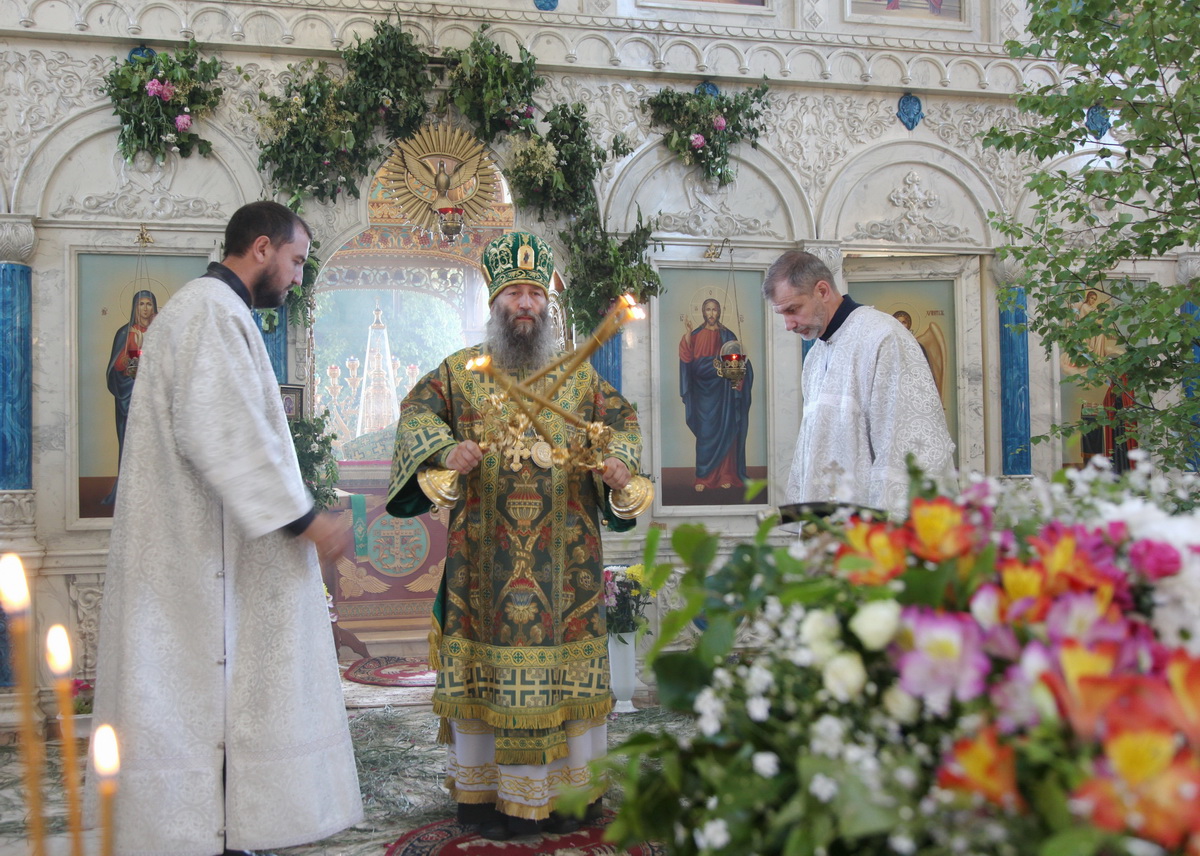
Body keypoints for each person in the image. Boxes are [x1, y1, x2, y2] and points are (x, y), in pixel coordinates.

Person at [89, 201, 363, 856]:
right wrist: (306, 522)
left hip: (196, 545)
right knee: (194, 699)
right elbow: (226, 431)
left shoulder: (208, 311)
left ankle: (222, 832)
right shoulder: (211, 311)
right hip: (192, 557)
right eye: (296, 260)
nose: (298, 276)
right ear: (262, 248)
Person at [387, 231, 642, 840]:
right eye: (514, 294)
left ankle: (573, 794)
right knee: (487, 673)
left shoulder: (580, 378)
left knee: (565, 676)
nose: (525, 303)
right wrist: (450, 450)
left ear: (546, 303)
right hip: (485, 567)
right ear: (496, 303)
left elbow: (622, 422)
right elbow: (415, 412)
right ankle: (483, 797)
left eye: (534, 292)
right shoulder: (460, 372)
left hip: (568, 565)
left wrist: (619, 464)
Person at [763, 250, 955, 518]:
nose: (788, 325)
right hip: (829, 530)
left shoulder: (883, 338)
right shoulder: (816, 356)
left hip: (872, 533)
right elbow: (812, 449)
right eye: (782, 314)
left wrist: (886, 532)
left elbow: (908, 445)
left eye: (793, 310)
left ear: (822, 290)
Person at [679, 298, 753, 492]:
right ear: (702, 312)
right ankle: (702, 477)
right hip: (703, 394)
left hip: (724, 394)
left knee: (727, 429)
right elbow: (687, 359)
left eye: (714, 310)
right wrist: (687, 335)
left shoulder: (728, 334)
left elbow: (739, 360)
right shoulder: (694, 335)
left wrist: (739, 374)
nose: (711, 313)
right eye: (708, 310)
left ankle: (726, 475)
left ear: (719, 312)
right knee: (705, 434)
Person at [102, 289, 158, 504]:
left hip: (155, 399)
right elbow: (122, 371)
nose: (145, 309)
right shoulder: (125, 334)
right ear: (135, 308)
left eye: (149, 304)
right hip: (131, 399)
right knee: (132, 447)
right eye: (141, 304)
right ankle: (129, 495)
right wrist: (136, 353)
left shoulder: (160, 331)